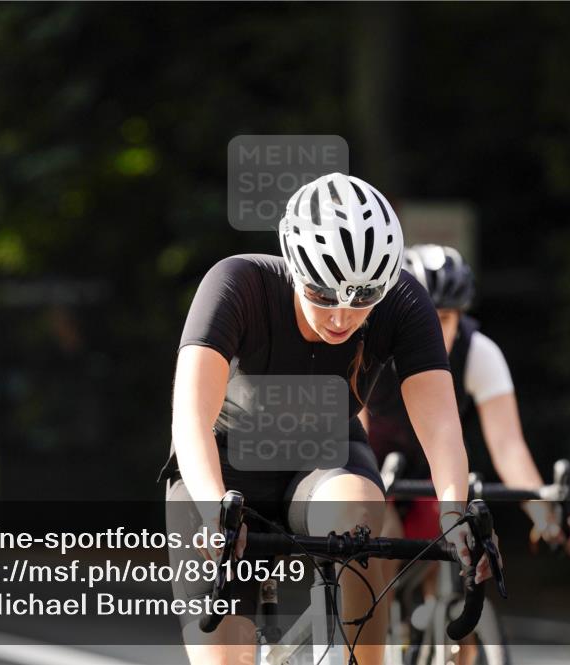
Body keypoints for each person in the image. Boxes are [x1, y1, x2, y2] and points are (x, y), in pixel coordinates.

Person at [160, 174, 500, 665]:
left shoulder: (403, 300)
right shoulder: (236, 283)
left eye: (362, 298)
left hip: (325, 456)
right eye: (322, 295)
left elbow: (442, 425)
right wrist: (214, 512)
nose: (342, 317)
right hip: (223, 464)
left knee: (359, 512)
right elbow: (190, 418)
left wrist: (454, 517)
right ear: (294, 267)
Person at [365, 244, 570, 552]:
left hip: (435, 472)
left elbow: (508, 446)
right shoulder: (371, 347)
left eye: (441, 319)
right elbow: (354, 431)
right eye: (418, 317)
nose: (427, 331)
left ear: (461, 316)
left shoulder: (479, 353)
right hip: (371, 465)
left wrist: (545, 516)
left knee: (450, 536)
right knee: (379, 531)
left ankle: (439, 600)